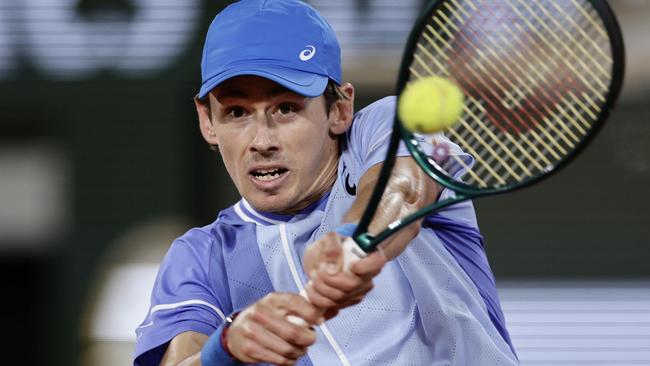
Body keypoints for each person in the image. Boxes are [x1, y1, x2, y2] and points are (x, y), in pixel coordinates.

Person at [134, 1, 519, 365]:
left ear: (339, 109)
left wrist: (355, 242)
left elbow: (403, 188)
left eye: (286, 108)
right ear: (207, 121)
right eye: (236, 112)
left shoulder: (385, 125)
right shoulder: (200, 257)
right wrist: (225, 350)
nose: (262, 141)